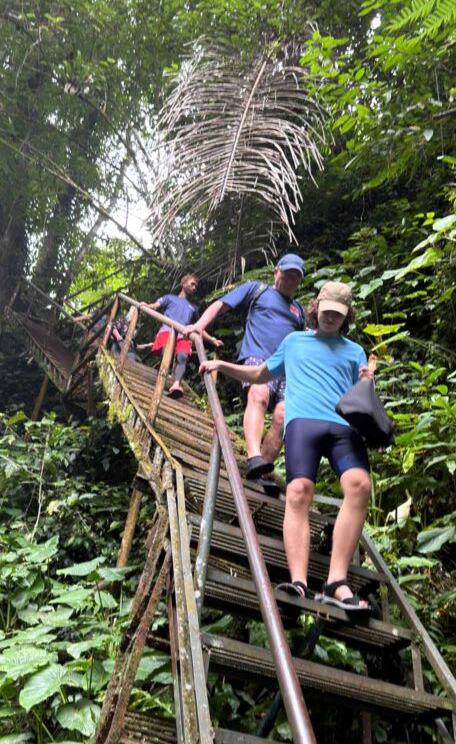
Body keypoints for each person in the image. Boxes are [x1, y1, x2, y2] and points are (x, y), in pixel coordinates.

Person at [199, 282, 374, 612]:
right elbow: (260, 373)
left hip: (341, 427)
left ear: (347, 315)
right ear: (315, 307)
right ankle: (299, 581)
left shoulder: (354, 352)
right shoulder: (294, 342)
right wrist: (221, 366)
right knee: (298, 491)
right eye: (326, 312)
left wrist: (368, 381)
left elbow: (360, 398)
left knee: (360, 485)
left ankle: (337, 581)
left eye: (337, 314)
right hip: (303, 423)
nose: (330, 318)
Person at [185, 254, 305, 480]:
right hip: (257, 356)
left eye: (295, 278)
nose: (289, 280)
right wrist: (199, 326)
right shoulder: (256, 290)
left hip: (287, 368)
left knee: (283, 416)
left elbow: (303, 342)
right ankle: (253, 456)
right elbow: (221, 305)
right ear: (276, 271)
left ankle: (261, 472)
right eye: (287, 274)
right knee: (259, 394)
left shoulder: (298, 310)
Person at [141, 273, 200, 398]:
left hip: (183, 335)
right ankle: (161, 378)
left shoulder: (193, 308)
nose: (194, 288)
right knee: (165, 353)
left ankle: (176, 384)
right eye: (192, 284)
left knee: (183, 356)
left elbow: (198, 326)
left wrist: (211, 339)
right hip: (167, 330)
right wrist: (145, 305)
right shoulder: (169, 298)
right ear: (183, 284)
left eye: (196, 286)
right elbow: (155, 306)